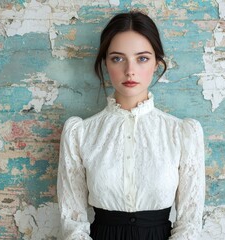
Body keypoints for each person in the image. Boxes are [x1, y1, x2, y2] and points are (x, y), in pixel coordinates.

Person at [57, 11, 205, 240]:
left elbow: (190, 222)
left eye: (142, 58)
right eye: (117, 58)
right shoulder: (80, 133)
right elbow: (72, 220)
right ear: (105, 62)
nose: (130, 70)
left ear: (157, 62)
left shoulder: (181, 133)